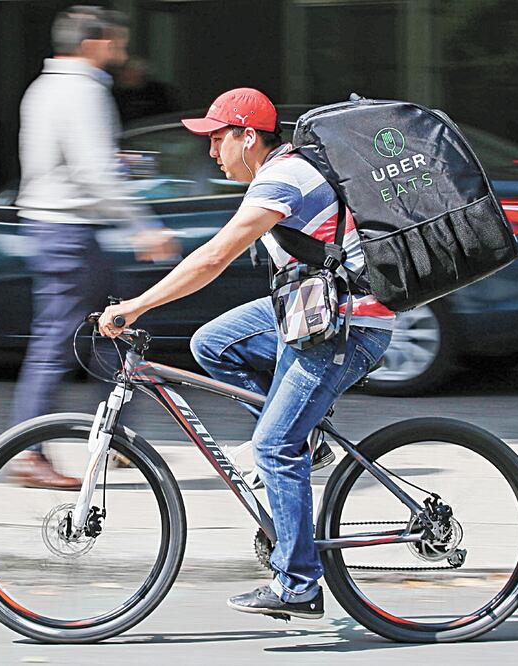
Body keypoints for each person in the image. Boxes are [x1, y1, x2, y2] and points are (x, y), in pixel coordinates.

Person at [99, 88, 395, 620]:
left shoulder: (284, 177)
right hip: (309, 313)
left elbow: (213, 257)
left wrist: (137, 307)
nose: (212, 152)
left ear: (248, 136)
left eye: (217, 139)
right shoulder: (278, 171)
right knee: (212, 343)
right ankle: (307, 445)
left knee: (274, 446)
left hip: (349, 326)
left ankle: (299, 584)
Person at [10, 6, 176, 489]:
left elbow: (73, 163)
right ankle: (27, 453)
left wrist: (114, 166)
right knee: (58, 342)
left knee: (112, 330)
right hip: (70, 231)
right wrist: (142, 224)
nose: (121, 51)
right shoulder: (82, 91)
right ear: (94, 43)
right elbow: (91, 172)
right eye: (116, 41)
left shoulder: (44, 87)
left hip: (56, 227)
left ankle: (114, 441)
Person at [113, 57, 179, 122]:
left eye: (132, 71)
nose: (126, 75)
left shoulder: (159, 92)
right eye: (124, 71)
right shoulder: (115, 94)